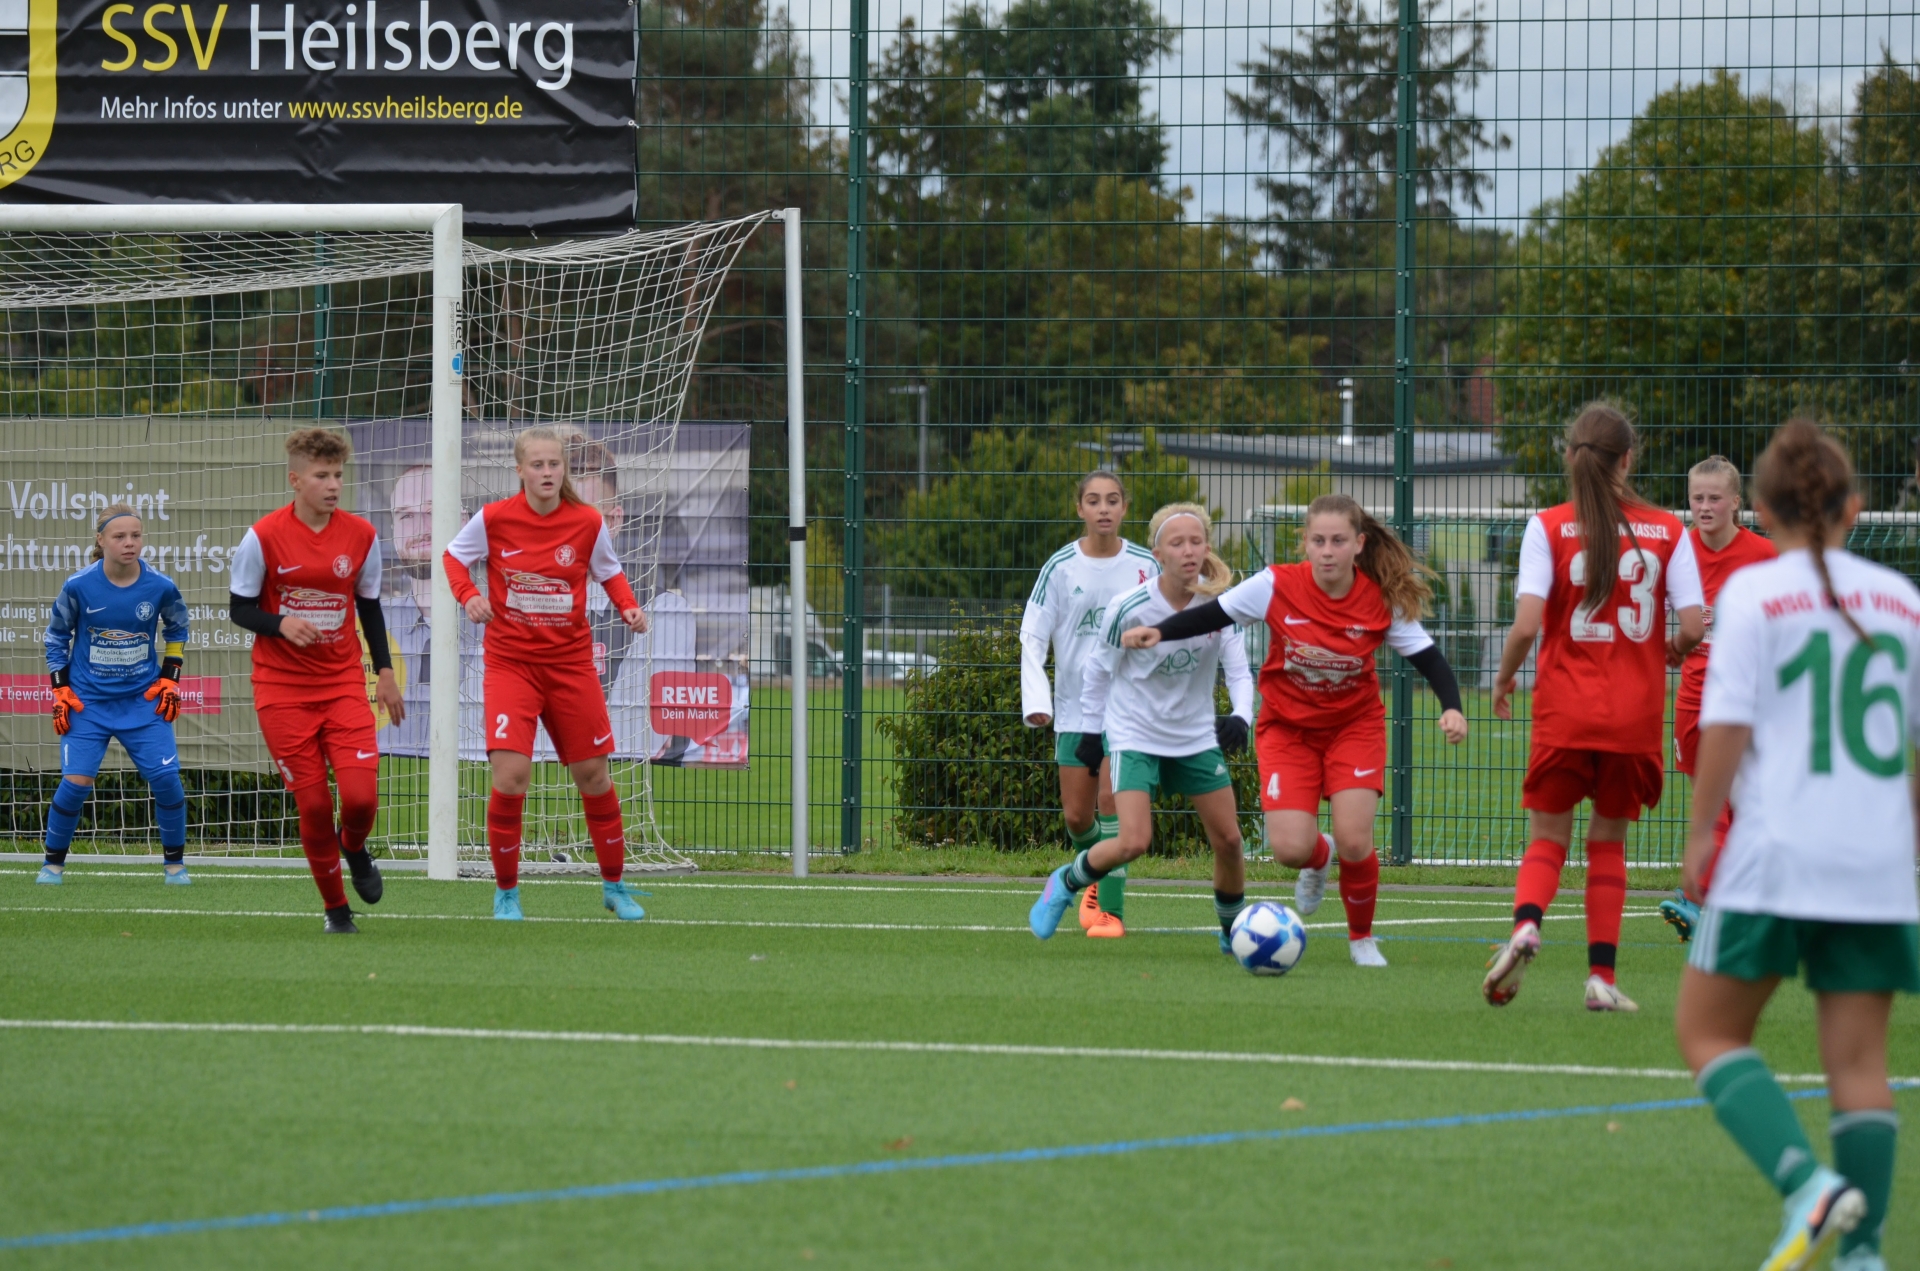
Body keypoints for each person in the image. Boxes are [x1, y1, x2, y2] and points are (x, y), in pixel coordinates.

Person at [1675, 419, 1917, 1271]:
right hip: (1876, 861)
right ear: (1855, 509)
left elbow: (1727, 724)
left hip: (1776, 848)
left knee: (1707, 1031)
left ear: (1763, 512)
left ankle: (1805, 1183)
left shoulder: (1753, 592)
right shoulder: (1903, 600)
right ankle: (1864, 1254)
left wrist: (1701, 831)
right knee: (1859, 1062)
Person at [1125, 493, 1468, 966]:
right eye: (1318, 540)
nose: (1327, 551)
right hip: (1288, 730)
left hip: (1353, 728)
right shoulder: (1275, 584)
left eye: (1338, 541)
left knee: (1356, 840)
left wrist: (1453, 708)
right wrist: (1161, 631)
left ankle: (1361, 938)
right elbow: (1214, 613)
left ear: (1358, 544)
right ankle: (1319, 857)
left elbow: (1429, 659)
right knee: (1289, 849)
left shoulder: (1378, 599)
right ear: (1304, 542)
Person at [1484, 403, 1704, 1011]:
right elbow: (1692, 625)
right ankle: (1601, 978)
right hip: (1634, 717)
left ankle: (1526, 925)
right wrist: (1674, 649)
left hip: (1565, 710)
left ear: (1570, 456)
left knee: (1547, 839)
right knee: (1608, 843)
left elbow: (1527, 624)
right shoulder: (1669, 530)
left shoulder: (1548, 526)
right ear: (1628, 458)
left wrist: (1503, 679)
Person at [443, 424, 652, 922]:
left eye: (554, 464)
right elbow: (453, 558)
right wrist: (469, 596)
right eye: (537, 464)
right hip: (511, 666)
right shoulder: (494, 519)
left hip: (570, 666)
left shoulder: (587, 521)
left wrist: (627, 606)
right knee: (511, 777)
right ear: (520, 470)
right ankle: (506, 894)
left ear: (564, 469)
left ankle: (615, 887)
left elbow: (609, 570)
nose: (547, 472)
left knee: (593, 775)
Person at [1027, 503, 1252, 945]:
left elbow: (1240, 671)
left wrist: (1242, 715)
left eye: (1196, 541)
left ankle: (1233, 932)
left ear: (1207, 547)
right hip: (1135, 735)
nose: (1189, 551)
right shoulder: (1129, 606)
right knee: (1133, 841)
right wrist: (1091, 732)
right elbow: (1098, 671)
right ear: (1158, 554)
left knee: (1229, 840)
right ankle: (1066, 882)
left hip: (1194, 737)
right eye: (1177, 543)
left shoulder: (1221, 605)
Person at [228, 429, 404, 935]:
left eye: (338, 476)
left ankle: (354, 846)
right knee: (313, 805)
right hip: (281, 690)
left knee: (361, 799)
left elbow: (369, 607)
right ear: (296, 480)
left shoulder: (361, 536)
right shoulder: (263, 536)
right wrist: (280, 623)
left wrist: (385, 672)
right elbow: (239, 609)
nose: (333, 485)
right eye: (322, 476)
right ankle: (337, 911)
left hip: (342, 684)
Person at [1019, 470, 1159, 937]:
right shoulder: (1060, 567)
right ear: (1079, 508)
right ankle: (1093, 867)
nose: (1104, 508)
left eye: (1112, 500)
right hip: (1077, 709)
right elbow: (1033, 635)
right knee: (1078, 818)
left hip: (1130, 709)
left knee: (1112, 804)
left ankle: (1110, 913)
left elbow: (1172, 620)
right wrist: (1037, 700)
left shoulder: (1146, 565)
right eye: (1094, 500)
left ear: (1124, 508)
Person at [36, 505, 192, 886]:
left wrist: (170, 678)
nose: (129, 543)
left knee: (167, 781)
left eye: (135, 535)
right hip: (88, 704)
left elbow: (177, 627)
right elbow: (56, 637)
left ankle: (175, 867)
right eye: (119, 536)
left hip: (142, 702)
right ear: (101, 540)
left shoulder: (160, 586)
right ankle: (52, 866)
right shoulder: (79, 586)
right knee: (75, 785)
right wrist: (60, 688)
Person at [1659, 455, 1776, 942]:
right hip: (1693, 699)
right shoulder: (1678, 550)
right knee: (1716, 804)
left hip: (1747, 701)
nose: (1704, 507)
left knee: (1734, 805)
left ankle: (1702, 900)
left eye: (1714, 498)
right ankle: (1724, 902)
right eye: (1697, 498)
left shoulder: (1765, 555)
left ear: (1736, 503)